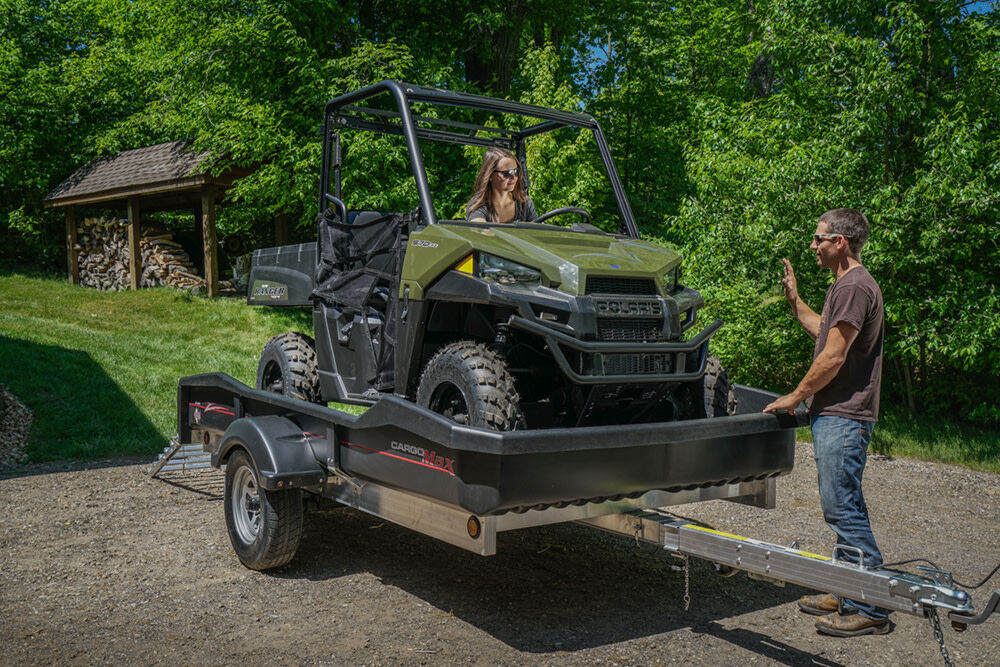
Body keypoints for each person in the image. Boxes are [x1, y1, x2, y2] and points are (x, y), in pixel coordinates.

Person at [763, 208, 890, 637]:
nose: (812, 246)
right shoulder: (846, 285)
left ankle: (868, 605)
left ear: (840, 242)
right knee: (843, 505)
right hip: (837, 414)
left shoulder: (854, 285)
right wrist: (795, 300)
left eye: (818, 239)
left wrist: (795, 396)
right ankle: (846, 586)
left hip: (844, 415)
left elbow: (833, 356)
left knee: (843, 510)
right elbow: (825, 334)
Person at [466, 147, 537, 224]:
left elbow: (537, 232)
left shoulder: (524, 203)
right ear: (490, 175)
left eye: (516, 172)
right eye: (506, 173)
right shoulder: (478, 205)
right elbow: (478, 227)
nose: (513, 177)